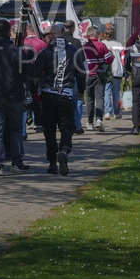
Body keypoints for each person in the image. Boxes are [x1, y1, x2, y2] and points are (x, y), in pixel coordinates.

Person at [0, 19, 33, 175]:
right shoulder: (16, 50)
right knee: (16, 129)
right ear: (9, 32)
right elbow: (29, 70)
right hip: (14, 94)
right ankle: (16, 162)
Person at [34, 23, 85, 176]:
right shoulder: (72, 50)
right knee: (66, 127)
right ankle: (64, 151)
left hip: (48, 95)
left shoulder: (45, 51)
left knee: (49, 130)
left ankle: (52, 163)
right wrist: (81, 90)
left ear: (53, 35)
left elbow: (35, 72)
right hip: (66, 94)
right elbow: (81, 73)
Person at [82, 25, 113, 131]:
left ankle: (90, 122)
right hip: (100, 74)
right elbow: (108, 60)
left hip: (88, 75)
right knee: (100, 98)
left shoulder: (84, 46)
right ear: (95, 34)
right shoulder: (101, 45)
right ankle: (99, 120)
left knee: (89, 99)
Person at [62, 20, 84, 134]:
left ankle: (62, 125)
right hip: (72, 75)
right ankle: (76, 125)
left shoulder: (58, 41)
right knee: (76, 101)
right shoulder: (76, 42)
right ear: (73, 29)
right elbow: (82, 58)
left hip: (59, 75)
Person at [101, 25, 125, 120]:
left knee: (106, 92)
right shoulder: (119, 44)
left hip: (106, 71)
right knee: (116, 93)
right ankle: (116, 112)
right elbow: (123, 59)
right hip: (117, 71)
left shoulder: (102, 44)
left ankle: (107, 112)